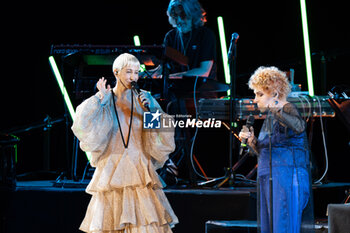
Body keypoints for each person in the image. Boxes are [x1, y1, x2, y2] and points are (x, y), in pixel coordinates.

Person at [72, 53, 178, 233]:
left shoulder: (145, 98)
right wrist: (99, 99)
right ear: (116, 72)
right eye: (129, 72)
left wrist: (151, 110)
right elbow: (82, 125)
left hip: (139, 168)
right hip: (112, 168)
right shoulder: (106, 99)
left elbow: (164, 132)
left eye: (137, 73)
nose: (133, 77)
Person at [239, 66, 312, 233]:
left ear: (275, 93)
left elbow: (300, 126)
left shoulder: (286, 108)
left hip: (284, 179)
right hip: (270, 178)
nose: (255, 99)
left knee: (282, 226)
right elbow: (267, 150)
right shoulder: (271, 116)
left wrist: (276, 106)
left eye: (260, 94)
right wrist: (252, 141)